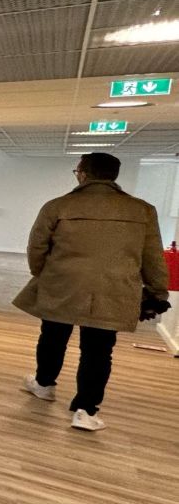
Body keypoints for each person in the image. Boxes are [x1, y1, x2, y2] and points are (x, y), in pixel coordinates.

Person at [13, 152, 169, 431]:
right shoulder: (142, 210)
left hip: (63, 282)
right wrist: (158, 292)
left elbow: (36, 246)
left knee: (52, 336)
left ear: (83, 174)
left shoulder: (58, 206)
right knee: (99, 349)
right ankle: (86, 411)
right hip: (114, 288)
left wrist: (42, 273)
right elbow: (152, 256)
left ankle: (44, 385)